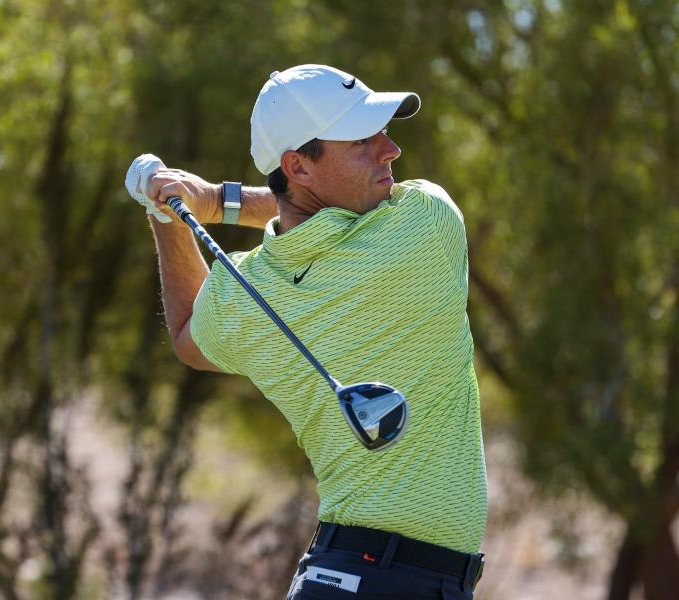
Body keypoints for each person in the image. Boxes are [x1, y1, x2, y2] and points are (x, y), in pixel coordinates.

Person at [127, 64, 486, 599]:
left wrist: (171, 217)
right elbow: (330, 216)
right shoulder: (427, 224)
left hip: (340, 576)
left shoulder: (244, 294)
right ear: (298, 164)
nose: (390, 149)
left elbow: (186, 334)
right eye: (363, 140)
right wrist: (212, 201)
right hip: (388, 579)